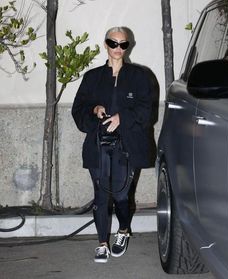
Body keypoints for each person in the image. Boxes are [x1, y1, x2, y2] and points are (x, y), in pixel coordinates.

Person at [72, 26, 152, 263]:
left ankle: (123, 230)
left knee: (121, 195)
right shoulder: (92, 77)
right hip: (98, 145)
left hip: (126, 146)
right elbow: (78, 109)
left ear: (128, 46)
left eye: (123, 44)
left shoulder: (140, 76)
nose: (118, 48)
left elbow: (147, 110)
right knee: (100, 196)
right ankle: (102, 243)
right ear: (106, 44)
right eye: (113, 43)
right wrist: (94, 110)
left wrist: (122, 118)